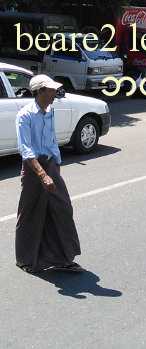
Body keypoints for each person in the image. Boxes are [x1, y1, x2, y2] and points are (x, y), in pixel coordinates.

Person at [15, 75, 83, 273]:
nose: (55, 94)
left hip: (50, 163)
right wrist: (42, 174)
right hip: (33, 168)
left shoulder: (49, 111)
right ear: (39, 92)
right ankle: (24, 259)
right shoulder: (25, 115)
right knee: (30, 213)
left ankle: (63, 258)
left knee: (62, 209)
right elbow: (25, 149)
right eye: (51, 90)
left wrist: (57, 165)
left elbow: (52, 139)